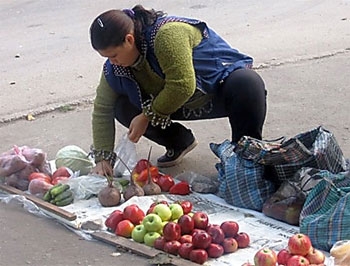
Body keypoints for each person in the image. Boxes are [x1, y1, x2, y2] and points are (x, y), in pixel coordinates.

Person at [89, 5, 267, 177]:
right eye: (106, 57)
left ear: (129, 39)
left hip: (215, 91)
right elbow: (102, 109)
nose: (112, 62)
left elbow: (182, 85)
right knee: (121, 107)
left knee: (247, 83)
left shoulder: (167, 35)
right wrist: (103, 158)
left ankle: (245, 159)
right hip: (175, 105)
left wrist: (146, 116)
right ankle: (179, 142)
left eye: (113, 55)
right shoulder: (115, 68)